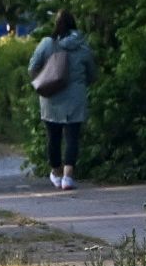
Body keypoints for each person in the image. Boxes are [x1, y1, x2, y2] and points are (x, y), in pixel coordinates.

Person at [30, 10, 96, 189]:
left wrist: (43, 79)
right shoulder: (83, 47)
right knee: (72, 137)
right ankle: (68, 177)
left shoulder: (47, 44)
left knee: (53, 137)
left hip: (51, 97)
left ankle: (56, 173)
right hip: (76, 98)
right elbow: (92, 74)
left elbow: (32, 66)